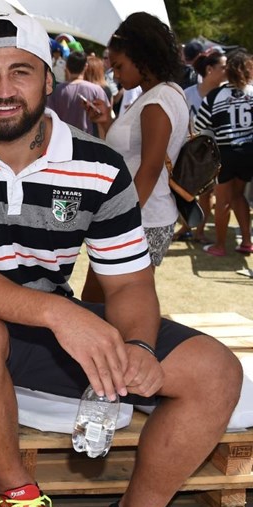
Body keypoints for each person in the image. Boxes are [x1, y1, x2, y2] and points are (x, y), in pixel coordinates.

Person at [0, 13, 241, 507]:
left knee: (215, 371)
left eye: (20, 72)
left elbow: (129, 283)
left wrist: (135, 342)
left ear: (47, 77)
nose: (4, 90)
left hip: (40, 322)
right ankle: (18, 495)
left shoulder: (98, 163)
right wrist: (62, 314)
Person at [83, 12, 190, 302]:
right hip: (145, 215)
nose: (115, 75)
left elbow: (149, 169)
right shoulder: (162, 94)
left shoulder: (157, 101)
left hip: (140, 219)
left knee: (100, 304)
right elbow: (128, 156)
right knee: (119, 304)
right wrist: (105, 122)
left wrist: (119, 222)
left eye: (119, 66)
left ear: (142, 56)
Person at [196, 49, 253, 257]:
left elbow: (200, 124)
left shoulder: (216, 95)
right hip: (248, 152)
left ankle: (220, 245)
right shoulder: (252, 92)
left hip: (226, 153)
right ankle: (247, 241)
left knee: (223, 200)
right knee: (239, 195)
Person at [173, 47, 227, 244]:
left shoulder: (225, 94)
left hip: (216, 152)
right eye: (223, 66)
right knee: (186, 190)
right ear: (210, 69)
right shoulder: (188, 93)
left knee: (208, 192)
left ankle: (199, 231)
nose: (227, 70)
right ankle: (188, 227)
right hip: (190, 151)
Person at [46, 51, 108, 135]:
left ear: (66, 66)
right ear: (85, 66)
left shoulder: (55, 91)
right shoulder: (96, 90)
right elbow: (104, 118)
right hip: (88, 140)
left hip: (62, 138)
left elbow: (48, 117)